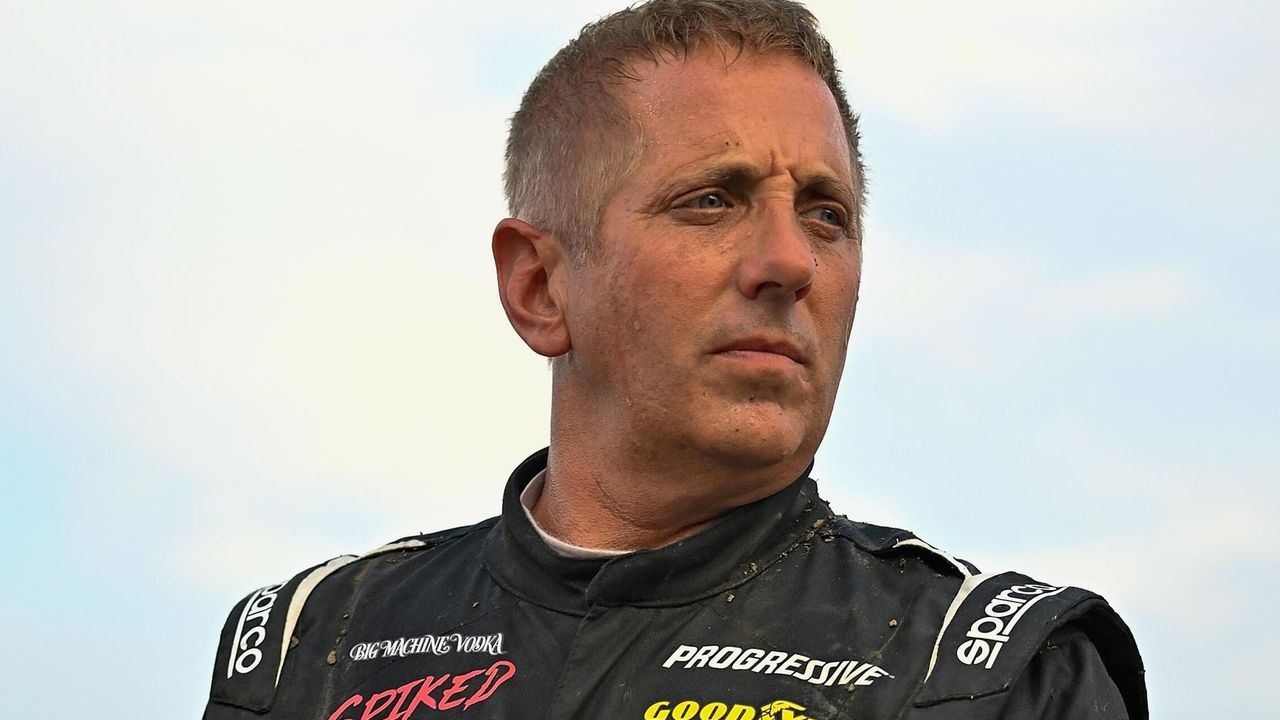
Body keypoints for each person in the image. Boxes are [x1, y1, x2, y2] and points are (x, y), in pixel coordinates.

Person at [202, 1, 1146, 718]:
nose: (790, 263)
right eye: (712, 201)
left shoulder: (987, 673)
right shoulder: (308, 649)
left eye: (826, 215)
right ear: (538, 287)